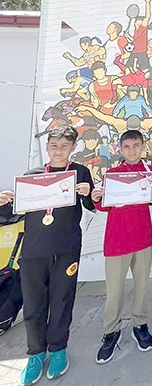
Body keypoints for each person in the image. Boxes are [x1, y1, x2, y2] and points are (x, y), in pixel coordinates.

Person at [0, 125, 94, 385]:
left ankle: (58, 349)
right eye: (54, 146)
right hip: (34, 250)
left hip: (66, 249)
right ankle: (35, 354)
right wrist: (5, 202)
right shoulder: (32, 176)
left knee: (62, 299)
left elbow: (91, 205)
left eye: (64, 146)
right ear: (47, 147)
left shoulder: (79, 173)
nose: (58, 151)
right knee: (33, 303)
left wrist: (89, 194)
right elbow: (16, 213)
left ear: (73, 147)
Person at [91, 130, 152, 364]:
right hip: (117, 240)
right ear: (120, 149)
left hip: (142, 238)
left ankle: (140, 325)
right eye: (127, 147)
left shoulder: (150, 172)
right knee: (114, 291)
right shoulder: (112, 175)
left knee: (142, 287)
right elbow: (104, 206)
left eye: (136, 146)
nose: (132, 151)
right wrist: (97, 197)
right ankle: (111, 331)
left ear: (143, 146)